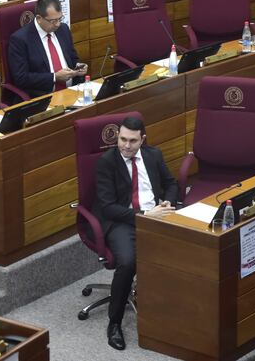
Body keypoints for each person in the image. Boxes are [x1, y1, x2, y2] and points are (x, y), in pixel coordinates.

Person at [93, 116, 178, 350]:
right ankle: (114, 323)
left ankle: (177, 316)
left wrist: (168, 203)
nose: (126, 146)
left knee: (187, 250)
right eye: (122, 139)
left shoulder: (154, 155)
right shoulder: (106, 162)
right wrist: (143, 216)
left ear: (143, 139)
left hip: (157, 216)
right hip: (122, 221)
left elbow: (171, 183)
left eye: (132, 141)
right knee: (128, 262)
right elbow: (108, 207)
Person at [8, 0, 87, 98]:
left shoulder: (63, 29)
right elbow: (21, 78)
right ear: (39, 18)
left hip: (72, 92)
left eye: (60, 18)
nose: (58, 24)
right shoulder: (20, 39)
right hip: (43, 97)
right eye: (53, 21)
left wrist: (78, 67)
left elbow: (73, 58)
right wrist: (54, 77)